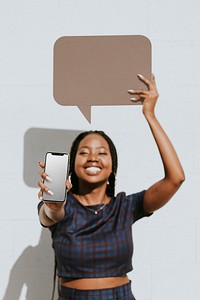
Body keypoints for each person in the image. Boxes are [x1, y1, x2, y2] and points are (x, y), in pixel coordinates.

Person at [37, 74, 185, 300]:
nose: (93, 157)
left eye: (102, 153)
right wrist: (54, 204)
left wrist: (150, 115)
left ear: (112, 168)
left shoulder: (126, 206)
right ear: (73, 166)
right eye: (84, 152)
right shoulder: (60, 205)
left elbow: (175, 178)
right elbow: (50, 214)